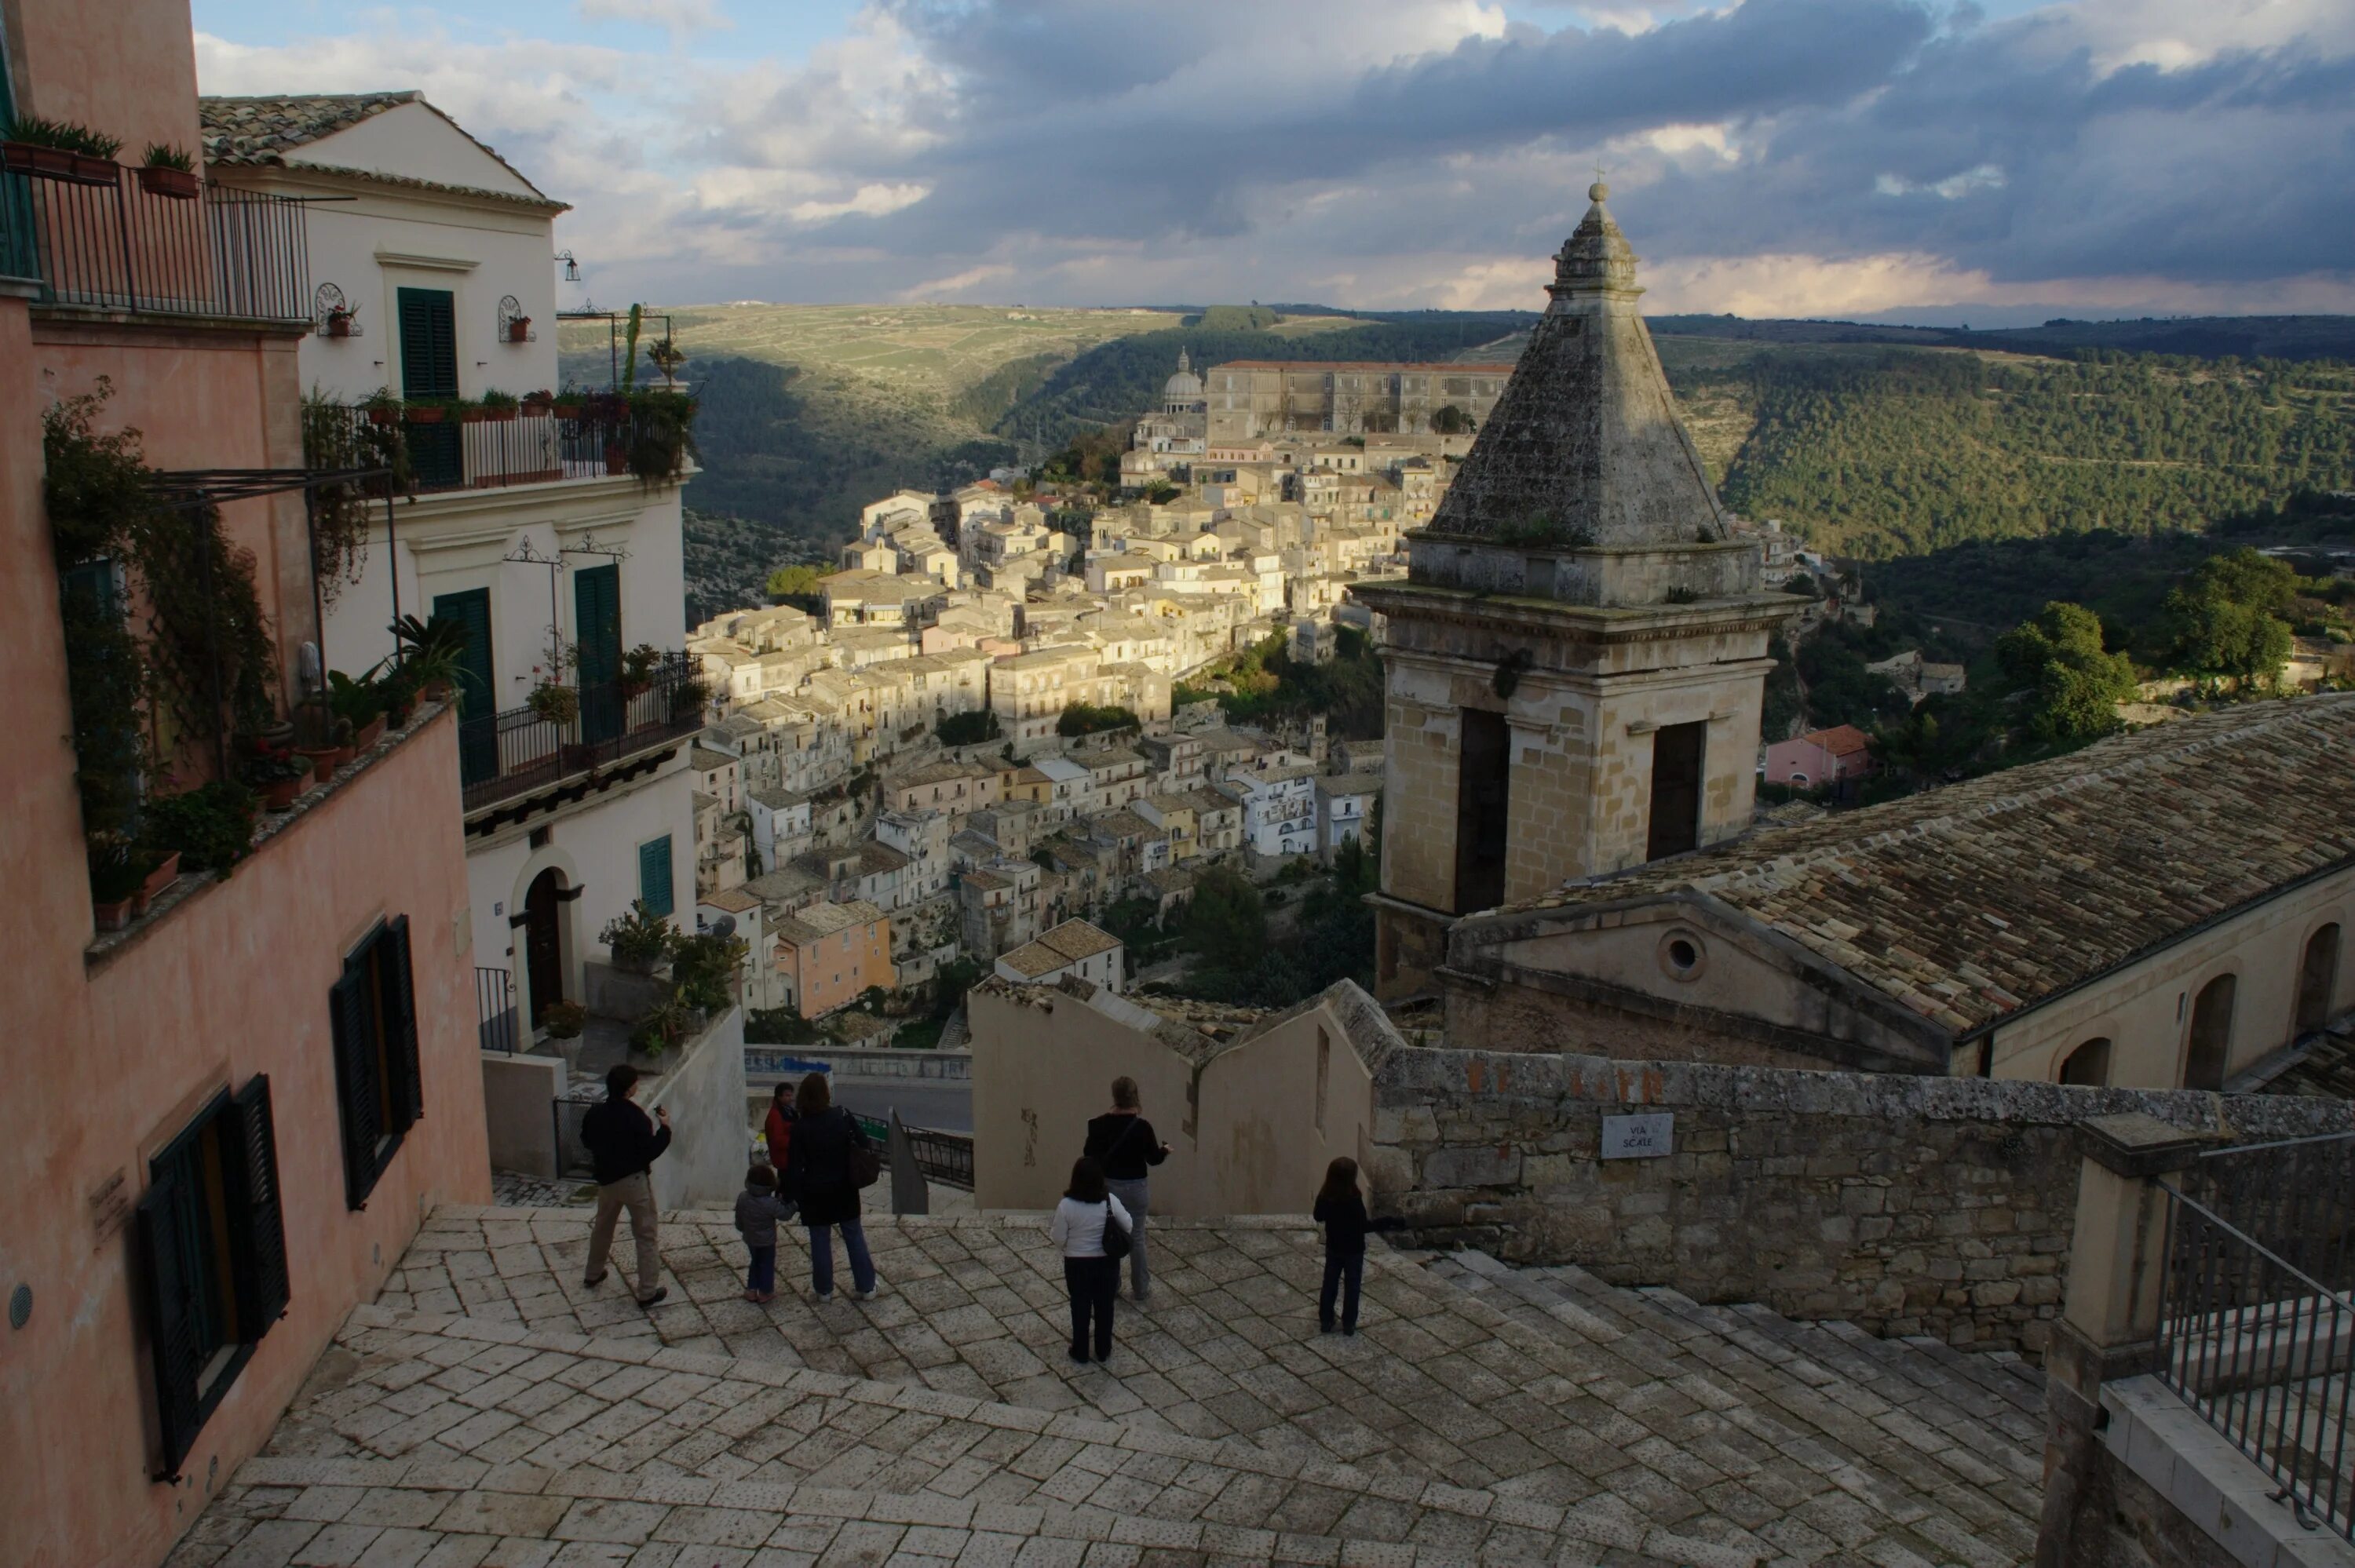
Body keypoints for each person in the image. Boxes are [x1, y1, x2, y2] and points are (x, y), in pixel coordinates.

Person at [580, 1064, 672, 1307]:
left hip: (607, 1182)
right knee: (645, 1234)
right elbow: (650, 1151)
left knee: (602, 1227)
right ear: (629, 1088)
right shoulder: (636, 1117)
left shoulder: (595, 1114)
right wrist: (665, 1128)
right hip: (633, 1182)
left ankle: (593, 1273)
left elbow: (586, 1140)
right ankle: (647, 1291)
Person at [785, 1074, 877, 1300]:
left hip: (814, 1191)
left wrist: (790, 1196)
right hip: (844, 1186)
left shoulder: (800, 1128)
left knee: (819, 1241)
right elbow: (864, 1143)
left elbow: (794, 1167)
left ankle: (824, 1290)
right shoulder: (842, 1116)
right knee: (854, 1235)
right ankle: (866, 1287)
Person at [1083, 1077, 1168, 1301]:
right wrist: (1165, 1150)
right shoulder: (1142, 1127)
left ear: (1114, 1096)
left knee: (1112, 1234)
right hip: (1137, 1188)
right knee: (1137, 1237)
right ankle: (1141, 1288)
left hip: (1110, 1187)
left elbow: (1089, 1155)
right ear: (1135, 1096)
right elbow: (1153, 1159)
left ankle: (1113, 1287)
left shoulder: (1098, 1125)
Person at [1049, 1156, 1132, 1366]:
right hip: (1106, 1262)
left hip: (1077, 1264)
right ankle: (1103, 1350)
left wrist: (1070, 1248)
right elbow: (1128, 1225)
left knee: (1080, 1307)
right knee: (1105, 1307)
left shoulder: (1066, 1206)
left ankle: (1081, 1350)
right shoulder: (1109, 1201)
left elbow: (1058, 1237)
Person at [1313, 1156, 1369, 1335]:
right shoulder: (1354, 1199)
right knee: (1353, 1286)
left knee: (1330, 1283)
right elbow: (1363, 1225)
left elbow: (1318, 1216)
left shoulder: (1327, 1197)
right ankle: (1349, 1323)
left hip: (1334, 1247)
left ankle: (1326, 1320)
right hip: (1354, 1250)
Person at [734, 1163, 796, 1303]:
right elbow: (784, 1215)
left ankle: (751, 1290)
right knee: (766, 1264)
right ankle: (765, 1292)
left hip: (750, 1238)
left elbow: (739, 1215)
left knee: (755, 1262)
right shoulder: (770, 1203)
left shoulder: (743, 1197)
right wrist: (792, 1206)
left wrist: (740, 1227)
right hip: (767, 1241)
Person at [763, 1081, 798, 1169]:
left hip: (790, 1159)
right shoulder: (775, 1115)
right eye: (787, 1095)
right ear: (779, 1096)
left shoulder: (788, 1111)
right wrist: (797, 1140)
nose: (791, 1098)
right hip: (784, 1161)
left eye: (791, 1095)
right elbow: (777, 1140)